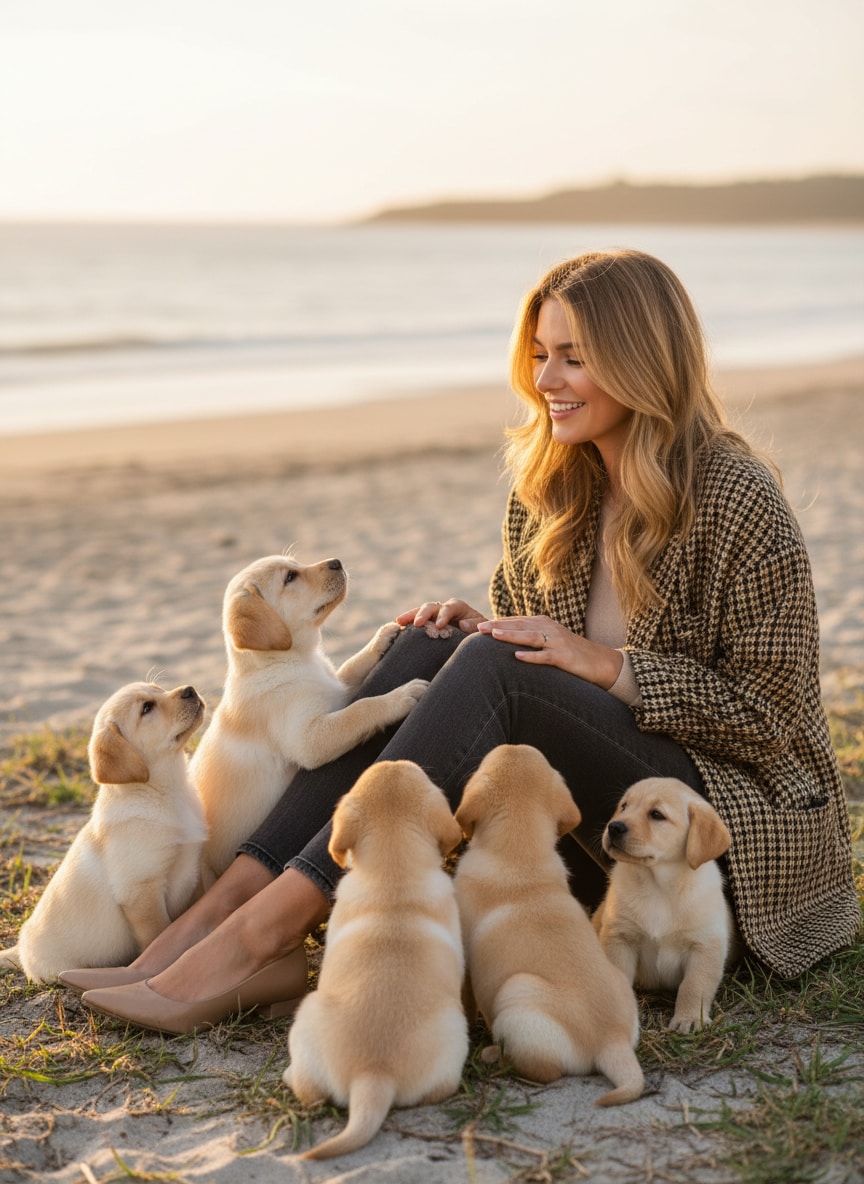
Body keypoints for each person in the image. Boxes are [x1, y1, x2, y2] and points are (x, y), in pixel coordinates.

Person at [63, 249, 860, 1034]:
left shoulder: (737, 499)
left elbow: (773, 720)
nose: (546, 380)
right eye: (541, 355)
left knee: (486, 665)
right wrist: (481, 633)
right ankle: (215, 917)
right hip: (586, 846)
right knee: (426, 646)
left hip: (714, 855)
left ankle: (257, 937)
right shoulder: (552, 489)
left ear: (641, 362)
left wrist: (608, 667)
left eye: (573, 359)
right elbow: (525, 669)